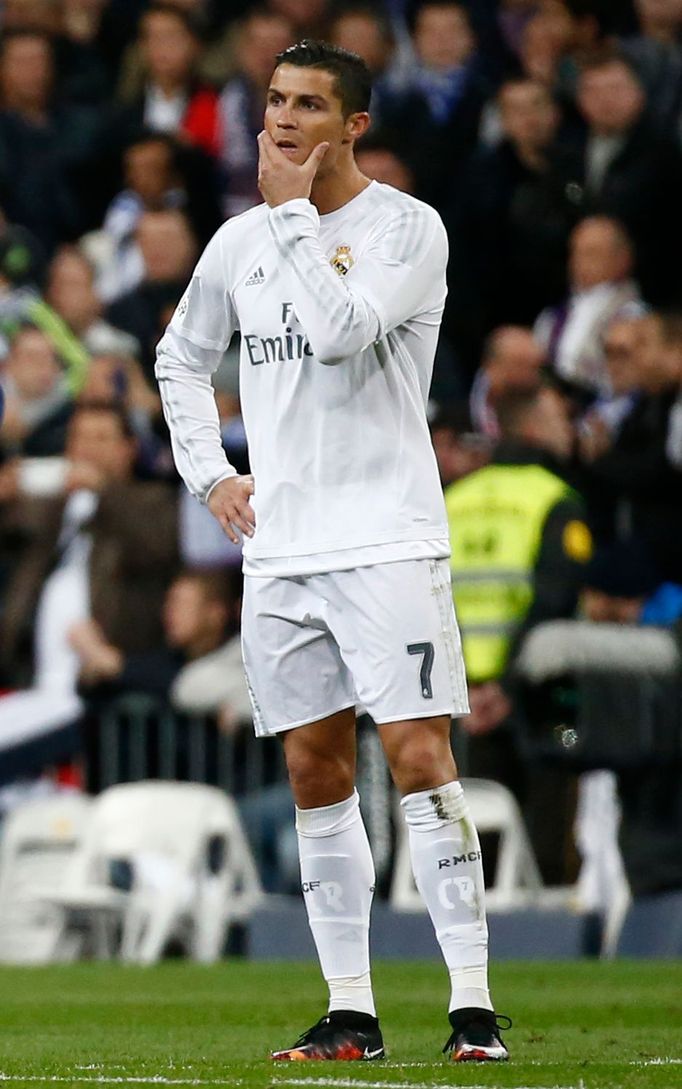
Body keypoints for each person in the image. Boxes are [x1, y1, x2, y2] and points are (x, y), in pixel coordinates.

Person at [156, 39, 509, 1065]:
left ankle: (473, 1011)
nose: (283, 121)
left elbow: (346, 329)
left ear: (353, 125)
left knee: (417, 759)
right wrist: (208, 475)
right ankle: (350, 1011)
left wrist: (296, 218)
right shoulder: (237, 244)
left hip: (389, 540)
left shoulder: (409, 230)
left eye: (308, 105)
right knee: (316, 771)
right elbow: (179, 357)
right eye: (273, 101)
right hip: (281, 551)